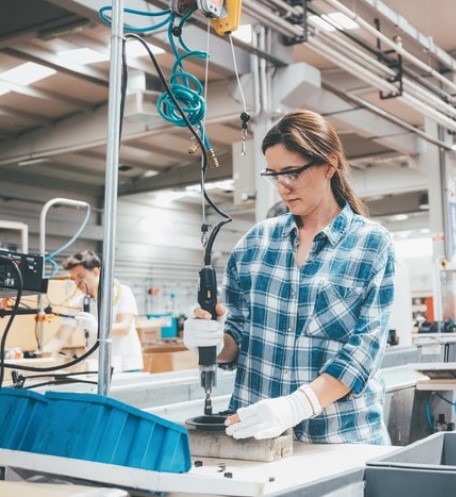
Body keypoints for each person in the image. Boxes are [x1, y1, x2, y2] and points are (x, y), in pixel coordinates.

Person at [184, 109, 396, 444]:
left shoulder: (371, 244)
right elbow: (237, 339)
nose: (283, 186)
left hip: (339, 439)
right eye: (274, 175)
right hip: (257, 438)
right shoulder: (255, 243)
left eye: (292, 173)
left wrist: (298, 405)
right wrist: (210, 340)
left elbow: (363, 351)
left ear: (329, 164)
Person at [44, 250, 143, 373]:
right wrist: (40, 357)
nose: (77, 283)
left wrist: (97, 328)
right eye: (73, 279)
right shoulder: (77, 303)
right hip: (97, 368)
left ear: (96, 272)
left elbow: (124, 328)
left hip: (126, 366)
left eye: (81, 277)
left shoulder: (121, 292)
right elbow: (60, 337)